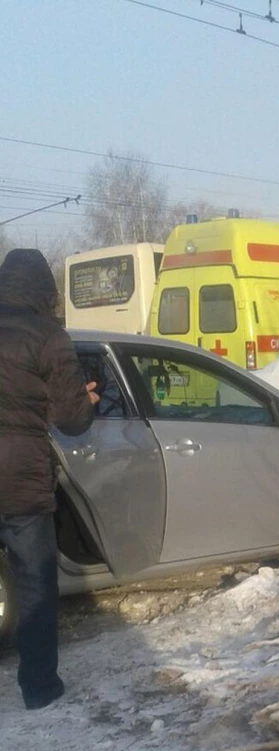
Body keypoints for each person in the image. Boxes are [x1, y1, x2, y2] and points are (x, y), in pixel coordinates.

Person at [0, 249, 99, 710]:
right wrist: (86, 399)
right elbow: (73, 420)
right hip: (20, 479)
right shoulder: (48, 335)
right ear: (44, 289)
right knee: (35, 585)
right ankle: (39, 688)